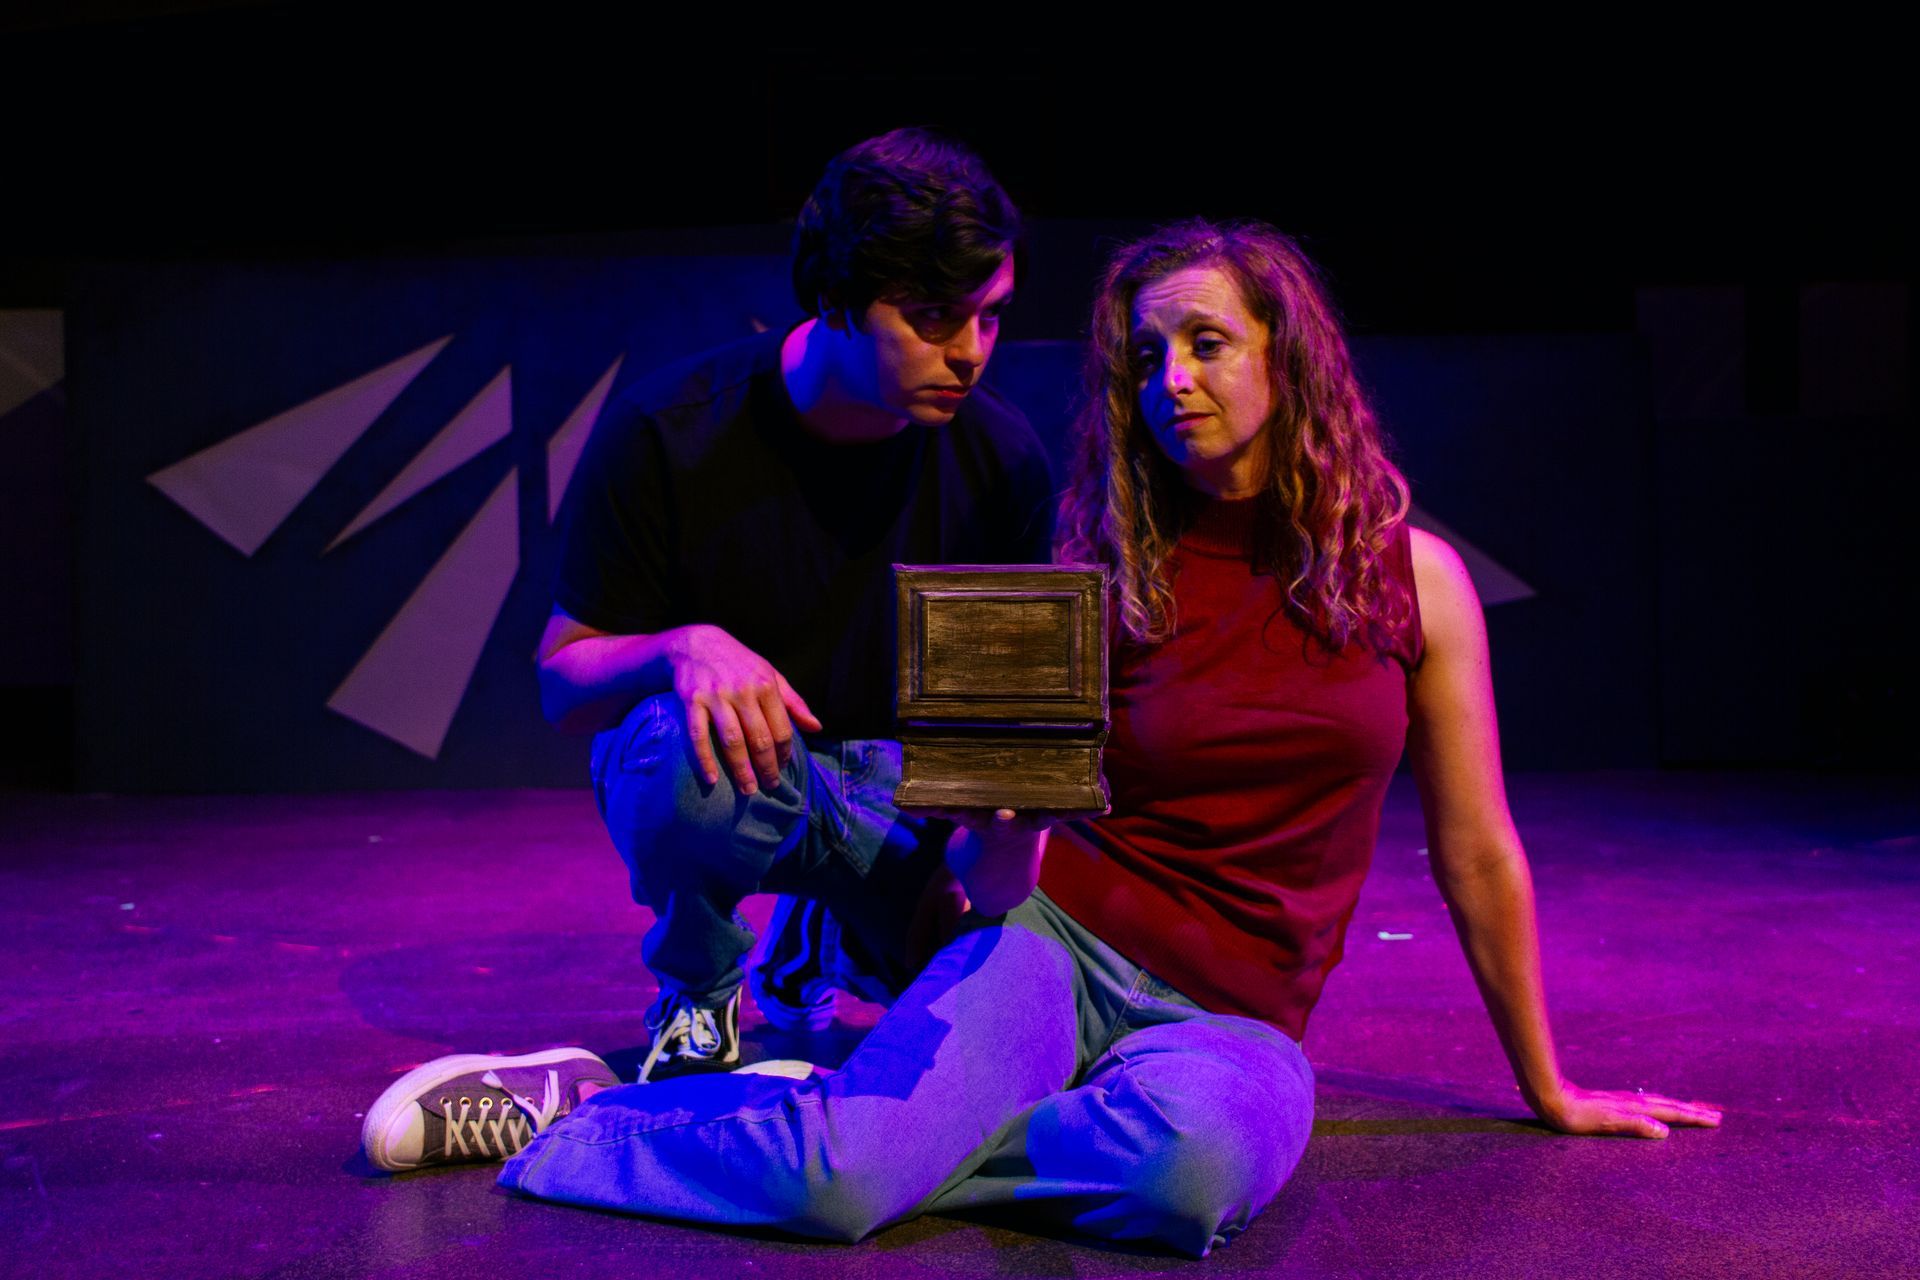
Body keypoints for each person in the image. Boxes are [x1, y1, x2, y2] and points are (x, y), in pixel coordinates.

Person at [362, 219, 1721, 1257]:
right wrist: (992, 845)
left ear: (1286, 355)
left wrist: (1551, 1086)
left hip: (1237, 1018)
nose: (1169, 381)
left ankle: (845, 1102)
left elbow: (1477, 850)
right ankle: (585, 1116)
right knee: (843, 1195)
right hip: (1058, 948)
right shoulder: (1086, 573)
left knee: (1185, 1188)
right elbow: (992, 860)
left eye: (1205, 344)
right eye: (1145, 357)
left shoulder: (1411, 582)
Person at [360, 127, 1056, 1167]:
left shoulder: (1003, 462)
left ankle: (833, 935)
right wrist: (678, 647)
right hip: (739, 772)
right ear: (835, 295)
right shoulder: (670, 432)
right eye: (931, 317)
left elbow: (995, 756)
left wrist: (1006, 836)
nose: (970, 350)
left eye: (991, 317)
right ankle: (699, 991)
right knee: (682, 752)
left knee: (1008, 1016)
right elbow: (562, 679)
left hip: (900, 795)